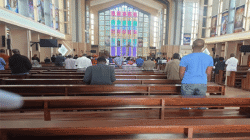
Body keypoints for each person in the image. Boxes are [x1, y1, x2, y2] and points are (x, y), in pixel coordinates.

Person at [179, 39, 213, 109]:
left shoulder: (185, 58)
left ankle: (185, 117)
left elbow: (181, 73)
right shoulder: (209, 58)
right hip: (202, 83)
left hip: (187, 82)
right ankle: (200, 119)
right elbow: (208, 73)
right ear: (203, 48)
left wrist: (185, 79)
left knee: (185, 105)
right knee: (201, 105)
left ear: (192, 46)